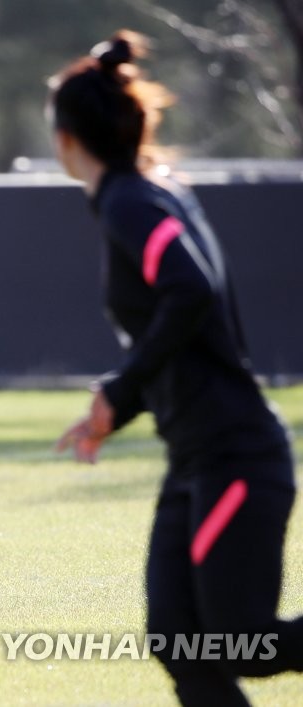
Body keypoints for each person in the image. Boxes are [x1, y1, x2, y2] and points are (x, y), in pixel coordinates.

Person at [50, 30, 303, 706]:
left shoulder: (132, 200)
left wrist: (119, 390)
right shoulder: (143, 194)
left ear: (66, 138)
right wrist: (119, 405)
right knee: (179, 640)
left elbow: (189, 288)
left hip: (235, 453)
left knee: (242, 639)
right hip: (198, 455)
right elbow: (185, 323)